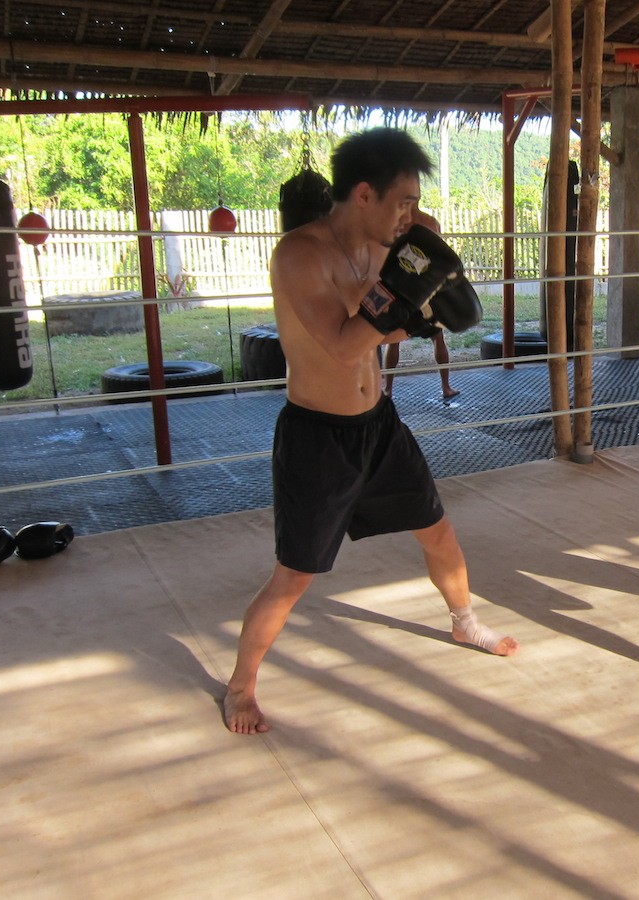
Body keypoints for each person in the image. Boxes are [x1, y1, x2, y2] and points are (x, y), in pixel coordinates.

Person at [224, 128, 518, 735]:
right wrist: (406, 300)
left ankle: (464, 620)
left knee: (438, 532)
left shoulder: (398, 241)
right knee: (294, 575)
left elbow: (416, 309)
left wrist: (430, 296)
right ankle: (241, 686)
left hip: (379, 425)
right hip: (318, 437)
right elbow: (337, 347)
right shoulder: (300, 256)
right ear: (364, 194)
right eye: (402, 200)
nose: (411, 213)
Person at [383, 204, 460, 400]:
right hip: (421, 286)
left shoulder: (397, 222)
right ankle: (445, 387)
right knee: (435, 338)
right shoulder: (429, 222)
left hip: (405, 286)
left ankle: (388, 389)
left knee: (396, 341)